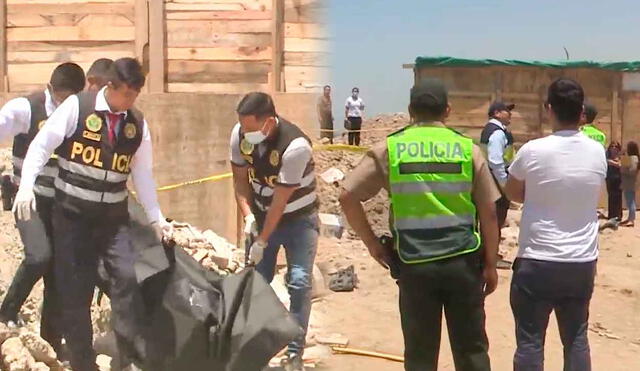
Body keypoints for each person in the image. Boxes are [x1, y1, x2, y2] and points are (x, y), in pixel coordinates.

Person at [13, 57, 172, 371]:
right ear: (110, 86)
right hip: (72, 217)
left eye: (134, 96)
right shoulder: (77, 108)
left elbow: (142, 175)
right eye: (124, 93)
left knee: (126, 278)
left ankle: (128, 359)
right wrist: (26, 186)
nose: (128, 101)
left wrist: (156, 218)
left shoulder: (136, 123)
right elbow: (42, 146)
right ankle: (83, 362)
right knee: (77, 291)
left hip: (113, 220)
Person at [339, 78, 500, 371]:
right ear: (447, 111)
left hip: (415, 266)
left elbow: (347, 195)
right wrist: (490, 262)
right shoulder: (467, 149)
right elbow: (488, 212)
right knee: (472, 350)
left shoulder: (391, 149)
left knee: (420, 354)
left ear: (411, 111)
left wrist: (373, 245)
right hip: (463, 265)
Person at [505, 78, 606, 371]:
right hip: (581, 262)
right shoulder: (596, 151)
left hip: (538, 261)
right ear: (581, 112)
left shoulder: (533, 150)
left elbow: (512, 192)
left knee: (530, 342)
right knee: (576, 339)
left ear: (549, 109)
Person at [0, 63, 85, 357]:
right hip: (29, 198)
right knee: (39, 256)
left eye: (69, 100)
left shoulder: (80, 114)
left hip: (61, 203)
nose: (64, 106)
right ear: (50, 90)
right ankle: (6, 312)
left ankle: (51, 340)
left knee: (58, 274)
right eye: (59, 99)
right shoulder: (26, 109)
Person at [230, 92, 318, 371]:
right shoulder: (239, 136)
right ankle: (253, 350)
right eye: (242, 127)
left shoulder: (296, 147)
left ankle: (294, 353)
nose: (245, 133)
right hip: (261, 215)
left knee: (300, 284)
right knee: (256, 283)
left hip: (298, 221)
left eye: (251, 128)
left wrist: (262, 241)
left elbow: (280, 203)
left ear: (268, 122)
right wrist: (247, 217)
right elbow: (240, 181)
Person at [479, 101, 515, 269]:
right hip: (495, 181)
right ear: (497, 113)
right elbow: (496, 161)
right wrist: (505, 185)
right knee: (495, 220)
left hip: (489, 179)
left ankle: (488, 254)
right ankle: (490, 258)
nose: (510, 114)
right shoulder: (497, 133)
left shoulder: (491, 130)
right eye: (507, 111)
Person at [620, 141, 639, 227]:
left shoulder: (634, 158)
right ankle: (630, 218)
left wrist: (622, 168)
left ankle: (631, 220)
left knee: (631, 202)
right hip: (628, 183)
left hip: (630, 183)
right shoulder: (631, 157)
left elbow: (632, 171)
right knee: (629, 201)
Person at [606, 142, 623, 221]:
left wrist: (612, 162)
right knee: (611, 196)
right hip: (610, 178)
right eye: (612, 146)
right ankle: (611, 215)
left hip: (619, 179)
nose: (614, 148)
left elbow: (621, 165)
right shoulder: (607, 156)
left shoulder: (621, 156)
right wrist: (613, 163)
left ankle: (618, 215)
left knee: (618, 197)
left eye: (615, 147)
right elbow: (605, 162)